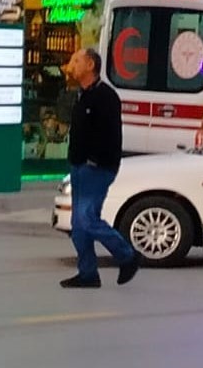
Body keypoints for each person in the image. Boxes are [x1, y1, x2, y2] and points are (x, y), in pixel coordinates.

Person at [61, 48, 139, 289]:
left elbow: (110, 135)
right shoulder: (81, 95)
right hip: (80, 166)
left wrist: (96, 160)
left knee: (86, 218)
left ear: (91, 65)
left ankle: (127, 255)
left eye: (76, 60)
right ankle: (88, 273)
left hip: (97, 168)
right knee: (78, 226)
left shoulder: (105, 97)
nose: (71, 65)